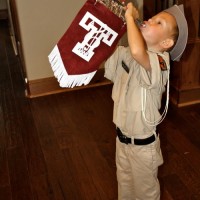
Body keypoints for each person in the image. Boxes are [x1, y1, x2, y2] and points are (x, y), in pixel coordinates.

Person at [104, 2, 188, 200]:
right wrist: (113, 19)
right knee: (124, 189)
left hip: (143, 148)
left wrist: (130, 19)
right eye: (153, 17)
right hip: (121, 141)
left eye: (158, 23)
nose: (149, 20)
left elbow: (138, 52)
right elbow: (108, 50)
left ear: (166, 43)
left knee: (146, 195)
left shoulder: (161, 61)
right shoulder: (127, 52)